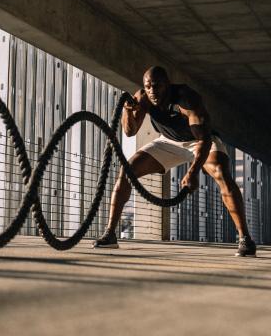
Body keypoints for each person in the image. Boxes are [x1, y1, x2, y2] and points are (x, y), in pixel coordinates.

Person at [93, 66, 256, 257]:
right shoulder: (143, 97)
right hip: (168, 141)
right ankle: (110, 234)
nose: (153, 91)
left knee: (221, 173)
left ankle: (245, 239)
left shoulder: (186, 99)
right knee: (127, 171)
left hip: (199, 141)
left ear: (168, 85)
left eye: (157, 86)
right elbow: (130, 131)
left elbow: (204, 139)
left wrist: (193, 171)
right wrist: (128, 112)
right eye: (148, 86)